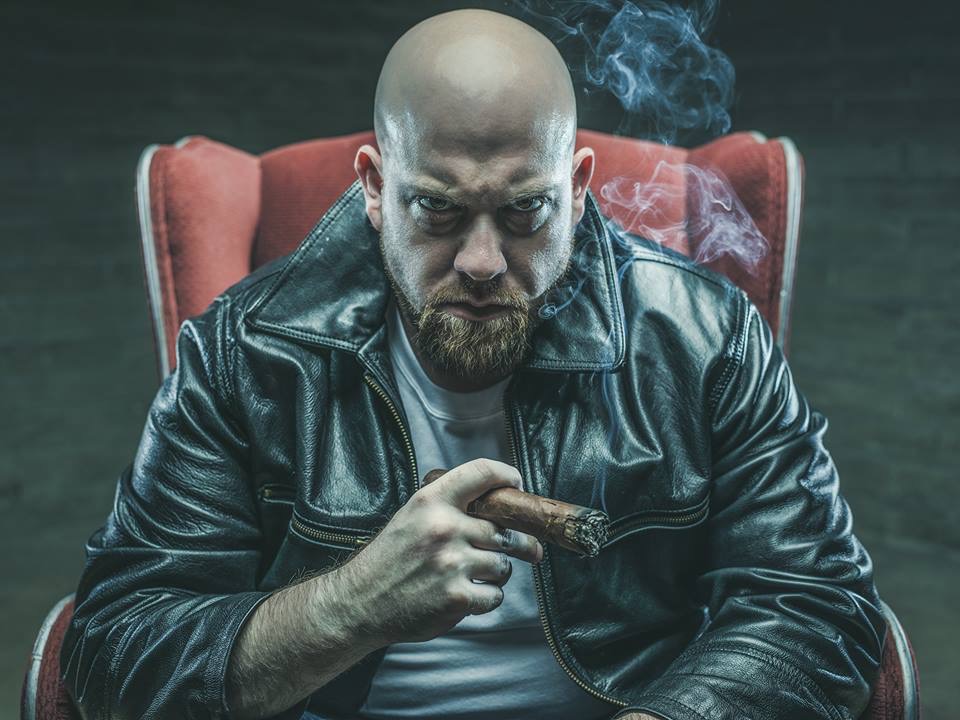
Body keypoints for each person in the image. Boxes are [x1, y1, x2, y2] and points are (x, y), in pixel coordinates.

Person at [61, 8, 885, 720]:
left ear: (577, 187)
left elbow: (819, 605)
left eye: (526, 210)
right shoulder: (245, 351)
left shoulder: (705, 337)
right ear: (376, 187)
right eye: (438, 209)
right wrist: (351, 606)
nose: (482, 262)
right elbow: (113, 651)